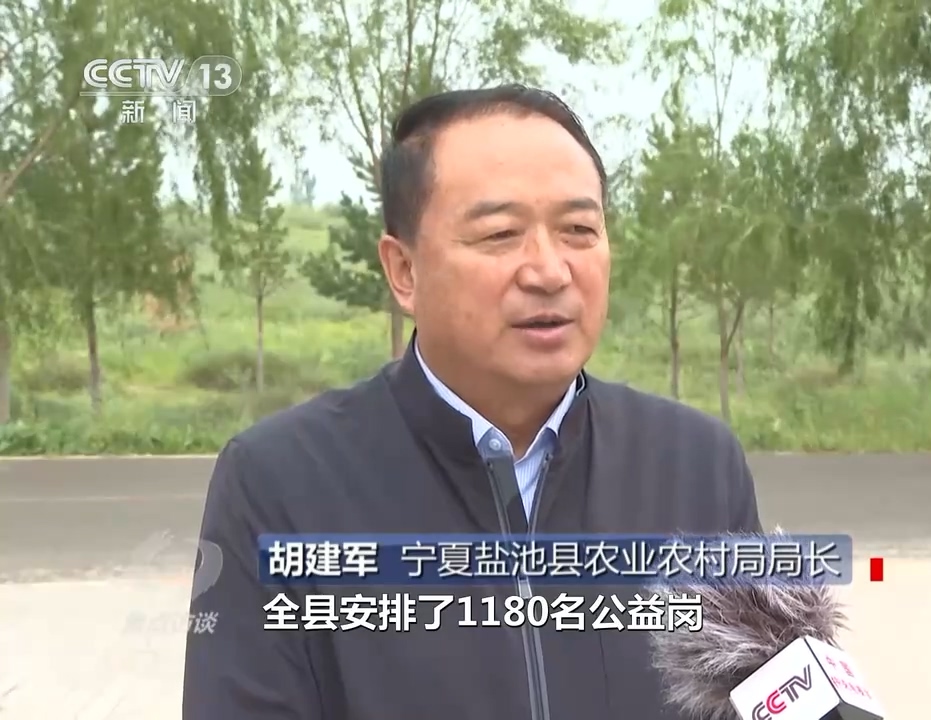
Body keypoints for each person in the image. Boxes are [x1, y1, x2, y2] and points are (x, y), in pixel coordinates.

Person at [182, 85, 763, 720]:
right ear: (404, 271)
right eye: (500, 234)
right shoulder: (280, 483)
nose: (549, 271)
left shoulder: (698, 465)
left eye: (578, 230)